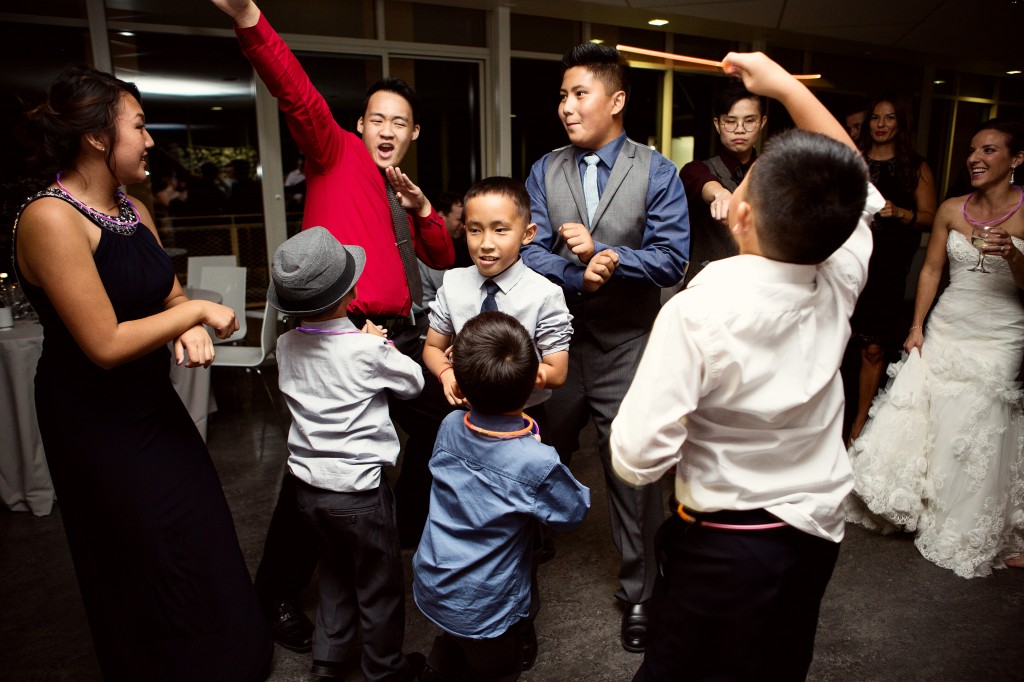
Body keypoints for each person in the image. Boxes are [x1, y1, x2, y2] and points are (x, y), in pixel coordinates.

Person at [611, 52, 877, 681]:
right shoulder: (841, 271)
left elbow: (634, 456)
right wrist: (785, 86)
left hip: (724, 542)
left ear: (739, 213)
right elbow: (853, 181)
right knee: (778, 665)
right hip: (816, 531)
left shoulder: (695, 310)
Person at [11, 65, 272, 680]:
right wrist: (201, 310)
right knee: (139, 551)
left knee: (198, 527)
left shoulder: (130, 209)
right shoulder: (51, 218)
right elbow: (102, 342)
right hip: (93, 421)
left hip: (151, 405)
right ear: (98, 137)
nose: (151, 140)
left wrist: (184, 316)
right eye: (139, 125)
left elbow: (168, 294)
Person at [211, 0, 455, 652]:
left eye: (398, 122)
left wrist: (424, 207)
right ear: (359, 124)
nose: (385, 130)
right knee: (312, 472)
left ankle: (414, 531)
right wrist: (249, 19)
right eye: (376, 118)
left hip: (397, 335)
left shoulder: (401, 185)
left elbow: (442, 258)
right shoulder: (335, 152)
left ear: (413, 134)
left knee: (446, 425)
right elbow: (296, 91)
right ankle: (275, 596)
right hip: (333, 333)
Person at [522, 42, 689, 654]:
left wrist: (607, 259)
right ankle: (520, 568)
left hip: (627, 345)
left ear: (615, 101)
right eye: (562, 95)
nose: (566, 106)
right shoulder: (545, 169)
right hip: (559, 340)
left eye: (578, 94)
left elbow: (673, 257)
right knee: (532, 453)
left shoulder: (658, 171)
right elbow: (529, 250)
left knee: (632, 471)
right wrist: (574, 274)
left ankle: (642, 592)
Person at [846, 119, 1024, 578]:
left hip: (1000, 332)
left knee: (977, 422)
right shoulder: (950, 208)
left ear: (1016, 160)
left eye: (989, 150)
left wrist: (1014, 256)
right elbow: (930, 271)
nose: (975, 158)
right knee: (932, 411)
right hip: (947, 322)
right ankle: (922, 505)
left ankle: (963, 520)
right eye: (972, 150)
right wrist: (918, 325)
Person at [268, 227, 425, 681]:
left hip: (309, 491)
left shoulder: (284, 345)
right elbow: (412, 384)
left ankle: (328, 660)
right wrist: (379, 341)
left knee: (334, 570)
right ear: (352, 290)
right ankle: (385, 669)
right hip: (359, 494)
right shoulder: (368, 348)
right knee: (379, 585)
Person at [413, 311, 591, 681]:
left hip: (434, 581)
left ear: (459, 382)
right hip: (484, 604)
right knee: (496, 669)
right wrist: (537, 456)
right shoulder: (535, 460)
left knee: (455, 641)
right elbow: (572, 512)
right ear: (532, 386)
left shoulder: (448, 425)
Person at [423, 176, 572, 417]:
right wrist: (447, 374)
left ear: (527, 234)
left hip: (524, 416)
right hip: (465, 413)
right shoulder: (452, 283)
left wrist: (495, 375)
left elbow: (557, 371)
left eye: (500, 230)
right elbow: (432, 346)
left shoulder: (545, 295)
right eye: (475, 230)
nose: (486, 243)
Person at [846, 93, 936, 441]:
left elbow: (931, 217)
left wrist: (901, 213)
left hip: (888, 266)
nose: (881, 125)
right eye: (875, 118)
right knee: (839, 344)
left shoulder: (916, 167)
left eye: (890, 118)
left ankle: (858, 425)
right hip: (850, 260)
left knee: (873, 347)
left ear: (901, 124)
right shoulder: (854, 162)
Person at [678, 82, 766, 286]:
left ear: (762, 123)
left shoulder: (773, 173)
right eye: (731, 121)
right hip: (706, 287)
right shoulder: (697, 169)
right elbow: (699, 181)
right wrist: (720, 194)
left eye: (749, 121)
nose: (740, 129)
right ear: (718, 124)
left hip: (757, 286)